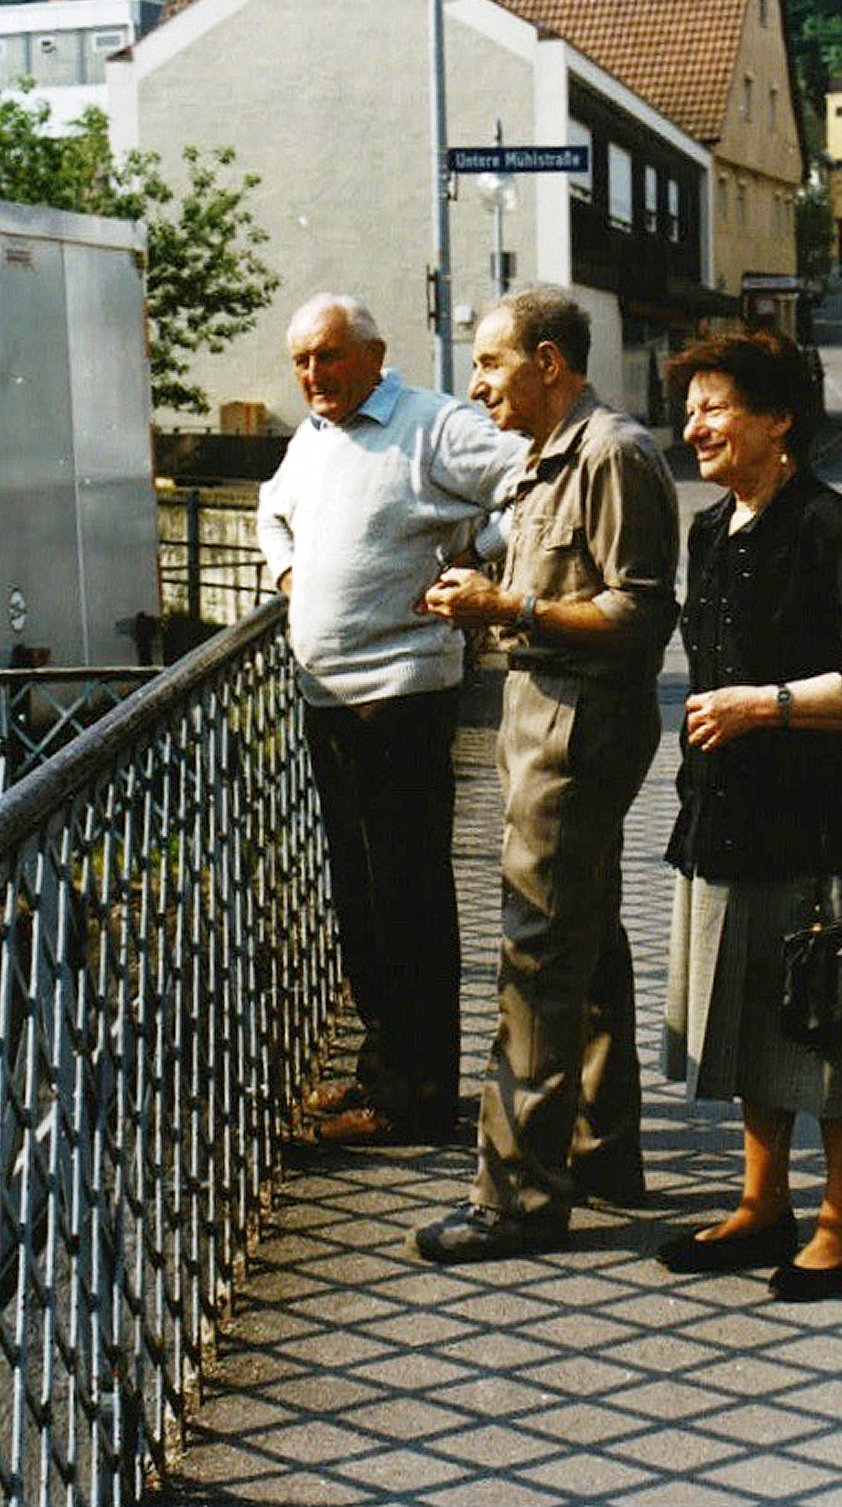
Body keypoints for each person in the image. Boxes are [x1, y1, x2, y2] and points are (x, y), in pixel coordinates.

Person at [656, 328, 842, 1302]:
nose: (695, 426)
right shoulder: (708, 529)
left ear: (779, 420)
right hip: (731, 812)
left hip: (831, 822)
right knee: (751, 1017)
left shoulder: (832, 528)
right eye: (689, 410)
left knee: (835, 1024)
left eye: (715, 407)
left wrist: (761, 706)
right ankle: (760, 1203)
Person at [412, 285, 680, 1263]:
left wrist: (506, 607)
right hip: (549, 722)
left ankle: (515, 1196)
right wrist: (487, 599)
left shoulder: (609, 454)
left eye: (490, 363)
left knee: (533, 957)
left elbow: (640, 614)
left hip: (574, 732)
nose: (477, 383)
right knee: (587, 940)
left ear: (548, 364)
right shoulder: (550, 456)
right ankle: (598, 1150)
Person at [256, 293, 525, 1144]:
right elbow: (271, 511)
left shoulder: (431, 424)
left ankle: (414, 1099)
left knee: (406, 901)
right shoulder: (316, 436)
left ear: (374, 353)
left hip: (401, 695)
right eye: (301, 361)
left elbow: (534, 480)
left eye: (328, 357)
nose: (313, 375)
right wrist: (291, 575)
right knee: (361, 901)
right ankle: (381, 1071)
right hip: (328, 699)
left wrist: (476, 557)